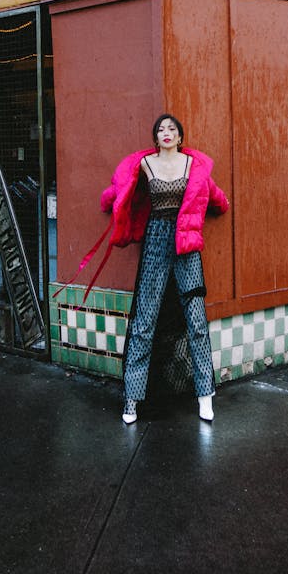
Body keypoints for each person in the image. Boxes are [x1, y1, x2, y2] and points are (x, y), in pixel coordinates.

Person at [100, 114, 229, 424]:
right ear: (155, 138)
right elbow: (121, 188)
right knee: (144, 320)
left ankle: (204, 396)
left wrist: (219, 204)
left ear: (180, 137)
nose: (167, 133)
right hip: (156, 239)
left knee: (196, 321)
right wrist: (110, 203)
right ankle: (131, 399)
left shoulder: (193, 167)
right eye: (161, 129)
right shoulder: (145, 165)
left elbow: (216, 198)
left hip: (186, 244)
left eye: (172, 129)